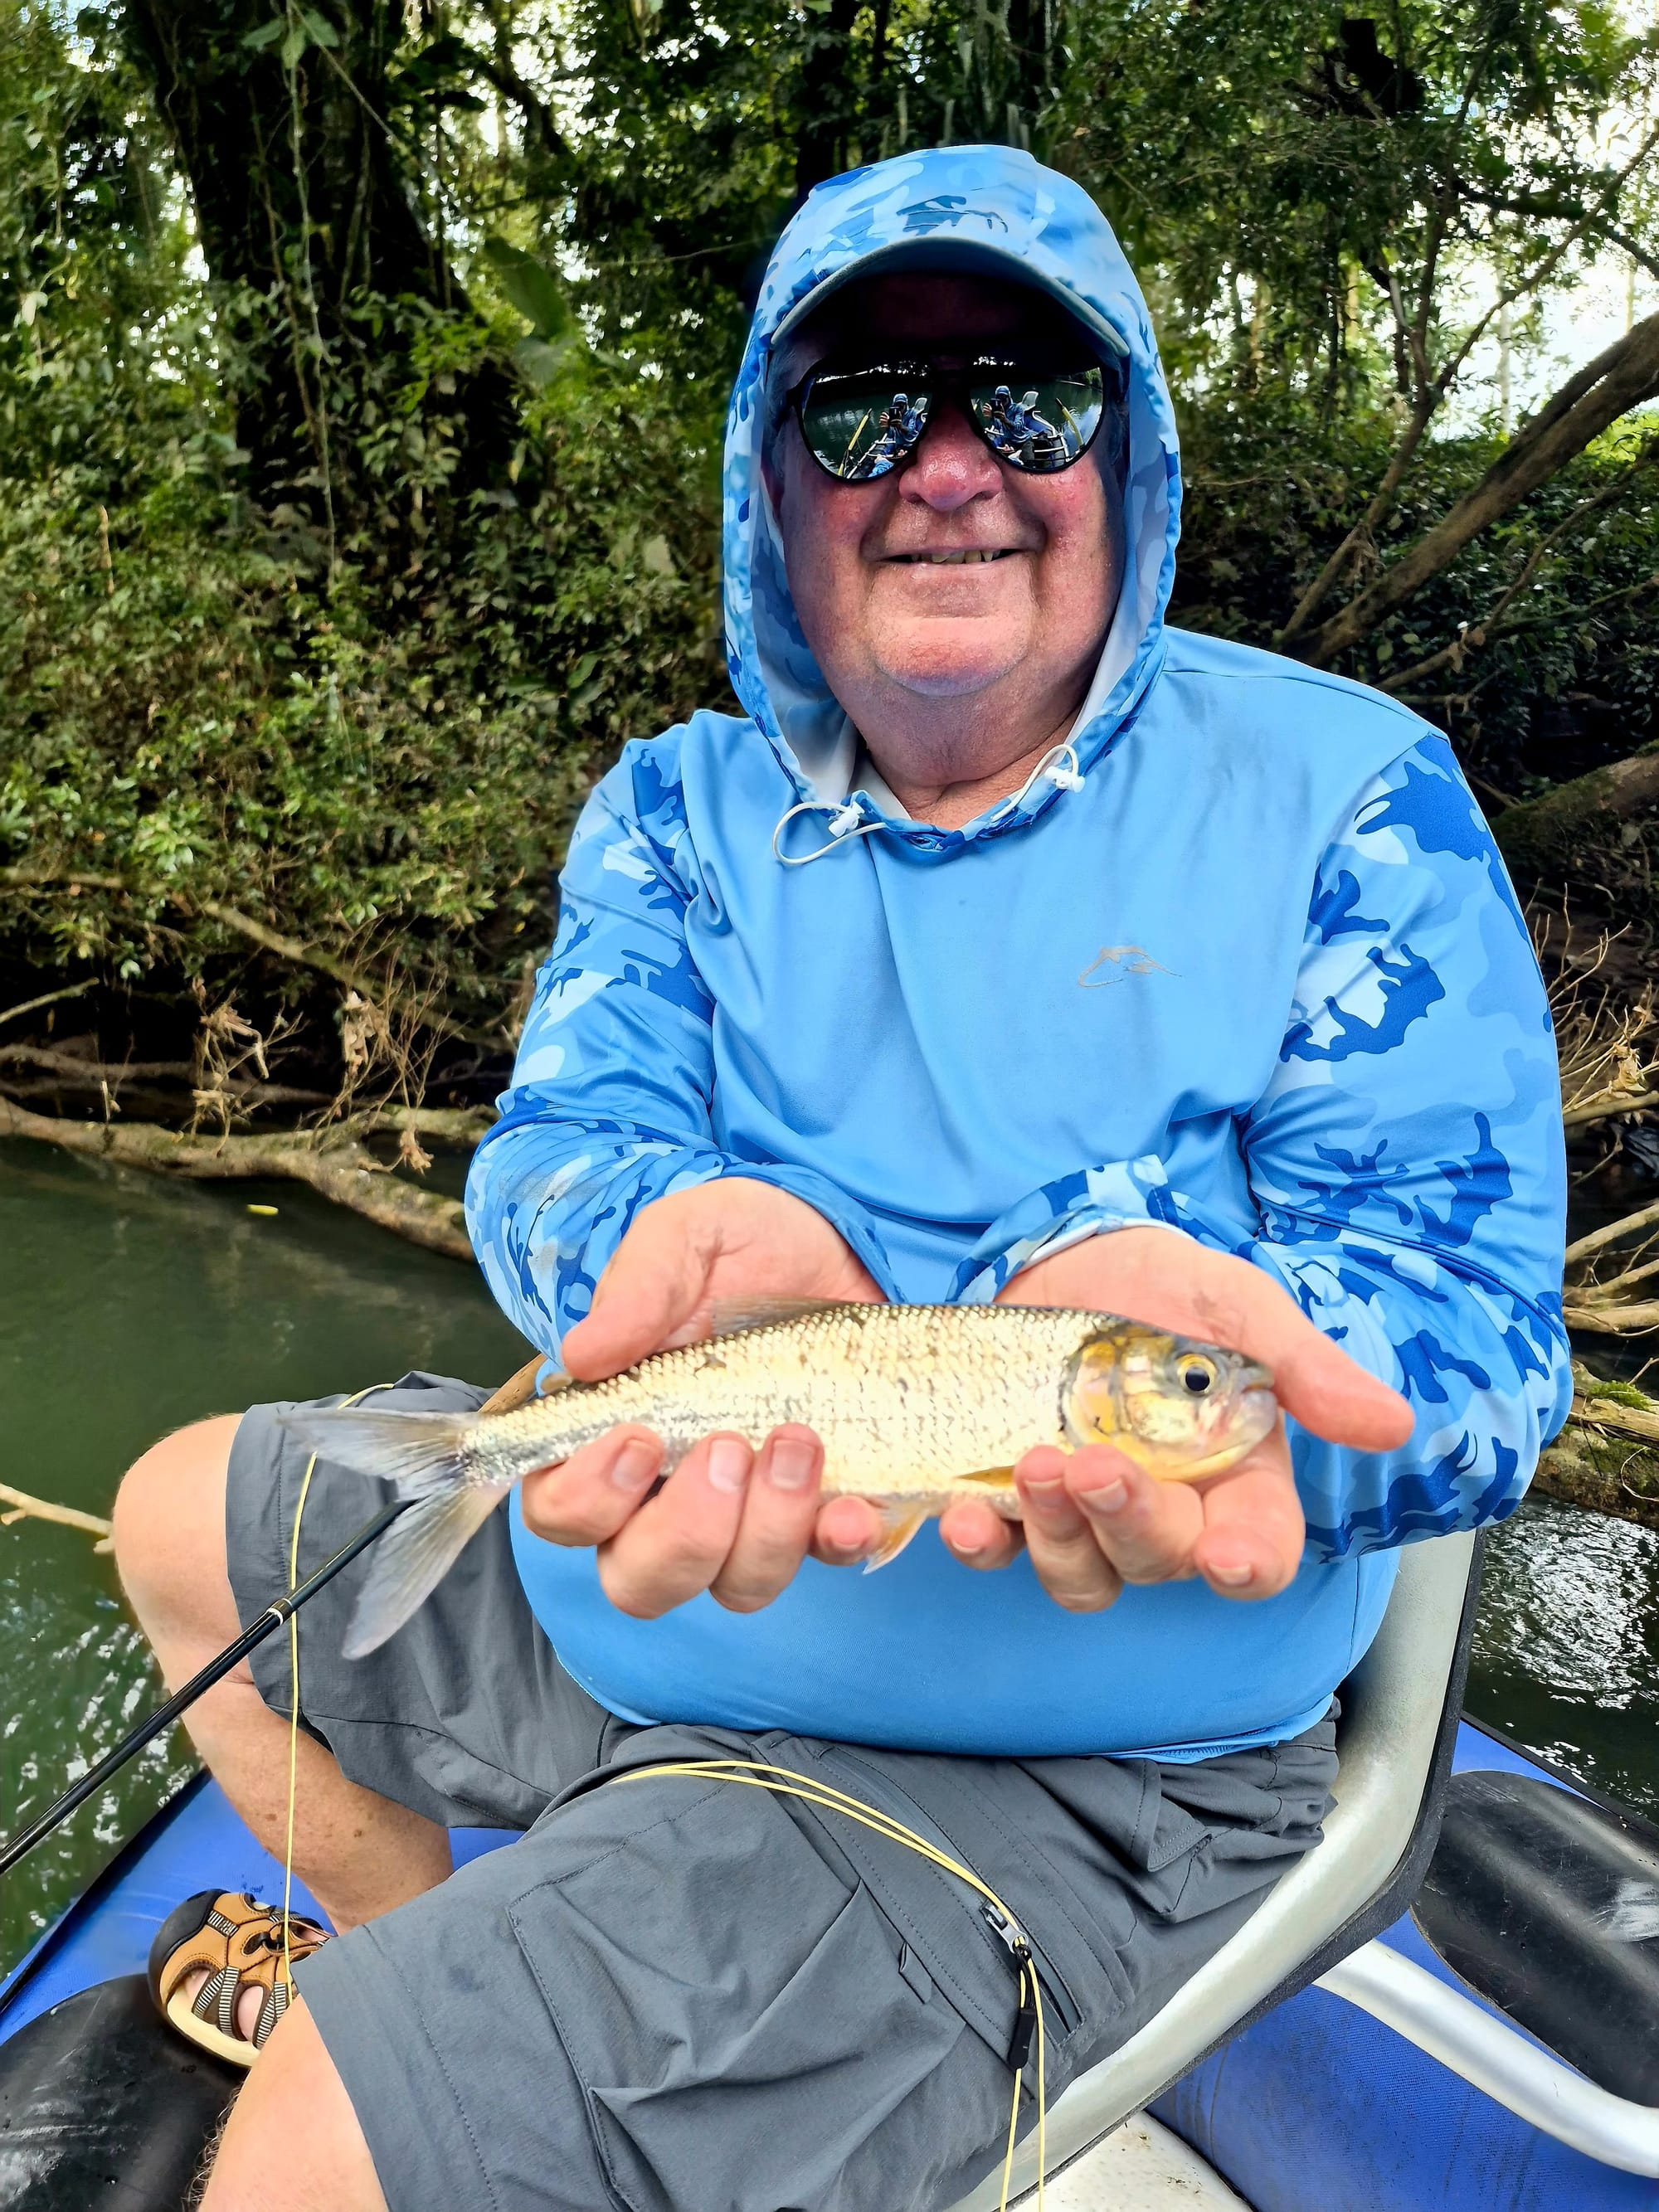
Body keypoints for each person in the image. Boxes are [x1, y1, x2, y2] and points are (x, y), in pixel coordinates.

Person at [112, 143, 1569, 2212]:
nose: (952, 467)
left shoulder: (1346, 797)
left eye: (1030, 397)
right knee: (182, 1517)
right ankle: (413, 1950)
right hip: (640, 1591)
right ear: (771, 486)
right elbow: (556, 1152)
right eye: (868, 409)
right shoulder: (673, 814)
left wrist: (1241, 1367)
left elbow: (1488, 1365)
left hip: (1049, 1768)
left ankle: (460, 2050)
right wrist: (642, 1241)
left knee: (319, 2157)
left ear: (1126, 453)